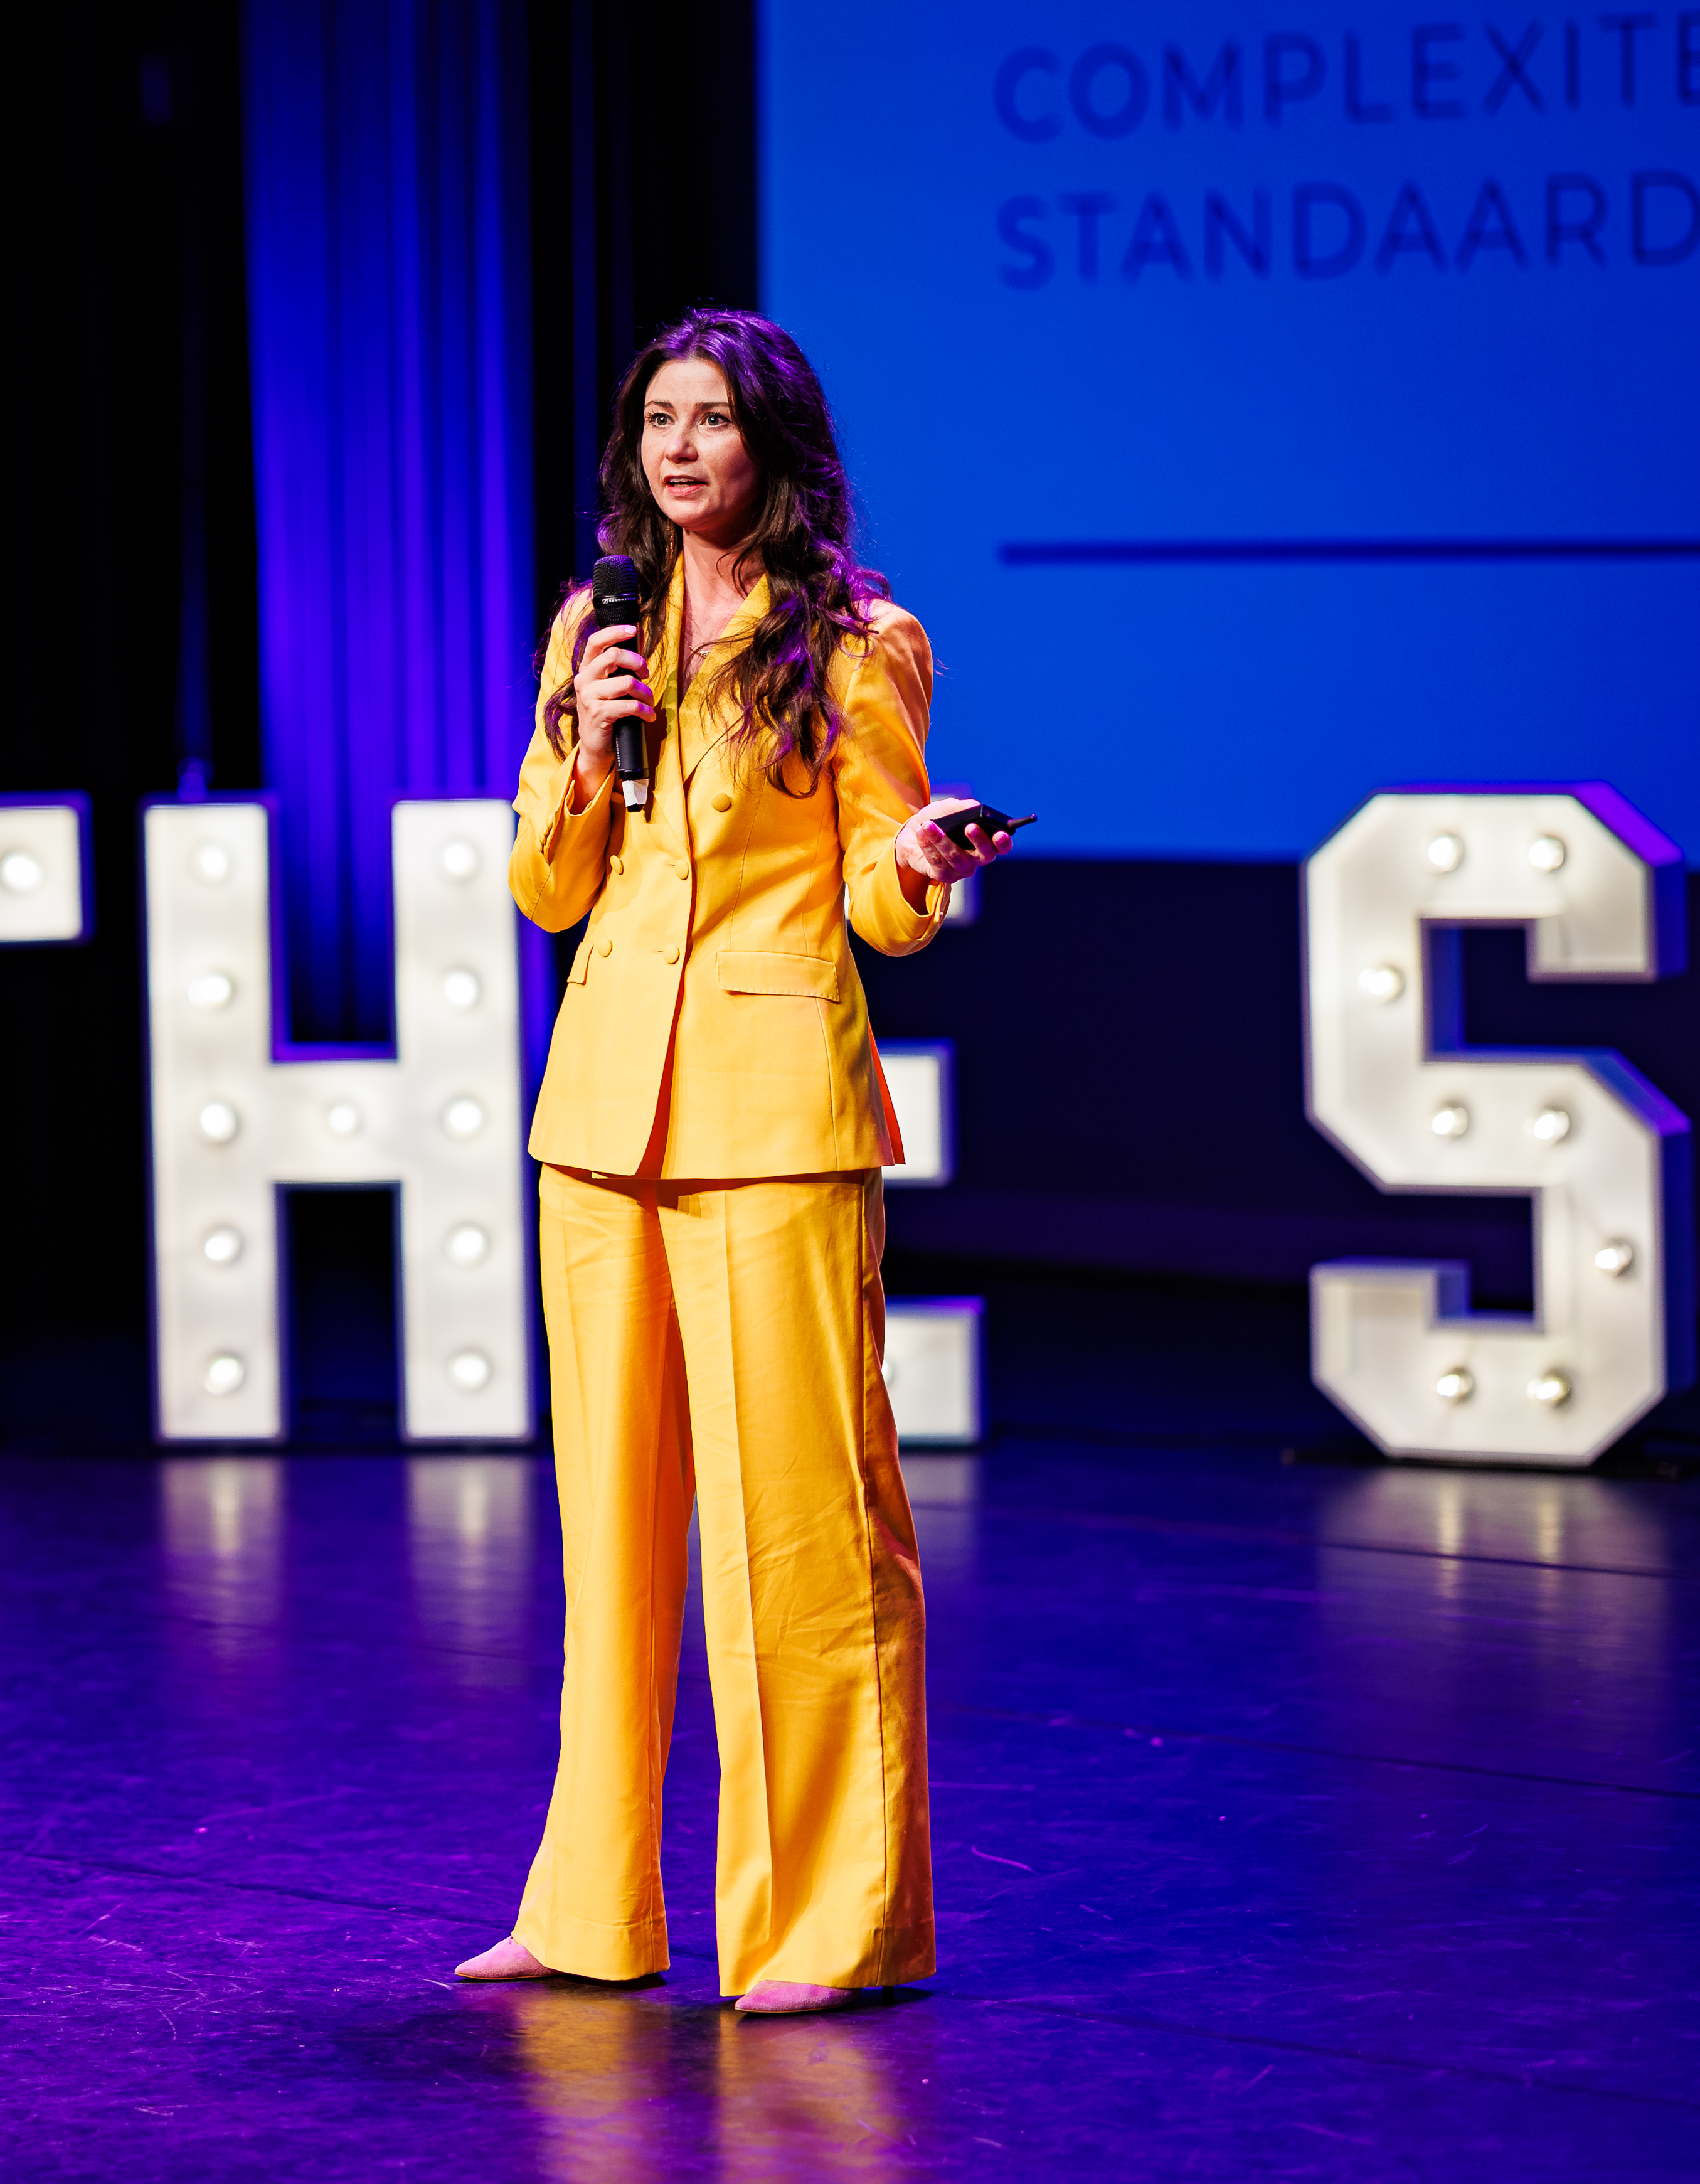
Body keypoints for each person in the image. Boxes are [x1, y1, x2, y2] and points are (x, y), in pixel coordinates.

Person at [454, 309, 1011, 2015]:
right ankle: (589, 1905)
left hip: (771, 1120)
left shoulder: (857, 640)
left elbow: (871, 902)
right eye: (658, 420)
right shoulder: (594, 627)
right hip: (602, 1117)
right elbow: (551, 888)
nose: (681, 447)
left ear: (774, 443)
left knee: (803, 1535)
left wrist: (920, 862)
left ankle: (828, 1925)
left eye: (713, 419)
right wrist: (586, 735)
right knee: (611, 1542)